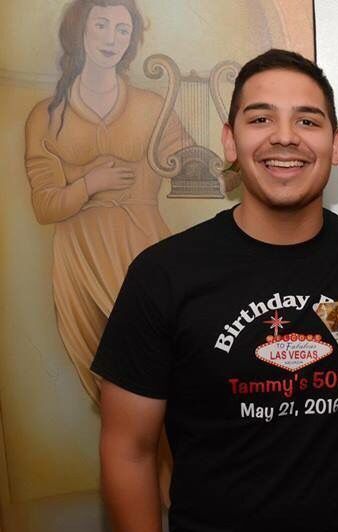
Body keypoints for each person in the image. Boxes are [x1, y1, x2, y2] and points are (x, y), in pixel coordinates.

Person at [93, 49, 338, 532]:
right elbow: (126, 450)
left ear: (335, 145)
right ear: (229, 140)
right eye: (261, 118)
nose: (285, 136)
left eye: (307, 120)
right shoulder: (167, 274)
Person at [25, 0, 191, 402]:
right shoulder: (46, 115)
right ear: (79, 30)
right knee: (108, 389)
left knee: (165, 383)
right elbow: (45, 206)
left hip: (143, 250)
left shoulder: (153, 106)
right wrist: (89, 183)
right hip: (79, 259)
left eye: (122, 29)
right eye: (101, 25)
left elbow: (190, 165)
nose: (111, 39)